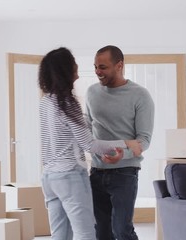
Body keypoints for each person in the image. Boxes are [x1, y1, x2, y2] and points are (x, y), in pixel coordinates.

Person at [38, 47, 142, 240]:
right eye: (73, 62)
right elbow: (89, 144)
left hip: (49, 177)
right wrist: (127, 142)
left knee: (59, 235)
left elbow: (72, 137)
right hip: (69, 176)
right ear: (66, 69)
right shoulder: (68, 102)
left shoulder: (46, 101)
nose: (77, 65)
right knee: (85, 233)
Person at [85, 45, 155, 240]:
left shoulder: (140, 95)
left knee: (121, 229)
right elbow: (87, 127)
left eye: (103, 67)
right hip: (96, 173)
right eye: (95, 67)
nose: (98, 72)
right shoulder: (91, 93)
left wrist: (123, 155)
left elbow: (144, 139)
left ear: (119, 65)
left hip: (125, 173)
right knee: (101, 232)